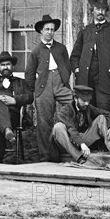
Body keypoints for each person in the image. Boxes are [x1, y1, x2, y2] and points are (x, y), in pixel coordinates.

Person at [25, 14, 73, 162]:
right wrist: (34, 92)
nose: (50, 32)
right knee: (44, 121)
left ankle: (73, 146)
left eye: (52, 29)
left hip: (59, 82)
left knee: (74, 104)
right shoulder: (36, 51)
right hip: (43, 85)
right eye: (47, 29)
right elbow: (30, 74)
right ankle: (45, 156)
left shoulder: (61, 48)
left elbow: (67, 65)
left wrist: (64, 79)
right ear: (41, 30)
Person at [70, 0, 110, 111]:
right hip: (85, 77)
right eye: (97, 9)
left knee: (103, 108)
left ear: (106, 11)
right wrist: (76, 68)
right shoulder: (85, 31)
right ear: (93, 11)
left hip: (104, 77)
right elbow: (75, 54)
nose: (100, 12)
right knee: (85, 109)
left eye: (103, 9)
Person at [51, 85, 110, 162]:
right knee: (58, 127)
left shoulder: (88, 108)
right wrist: (82, 144)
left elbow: (107, 114)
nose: (86, 103)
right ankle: (79, 157)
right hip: (68, 142)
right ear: (75, 98)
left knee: (101, 118)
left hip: (82, 141)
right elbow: (71, 129)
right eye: (84, 101)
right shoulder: (65, 111)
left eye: (88, 101)